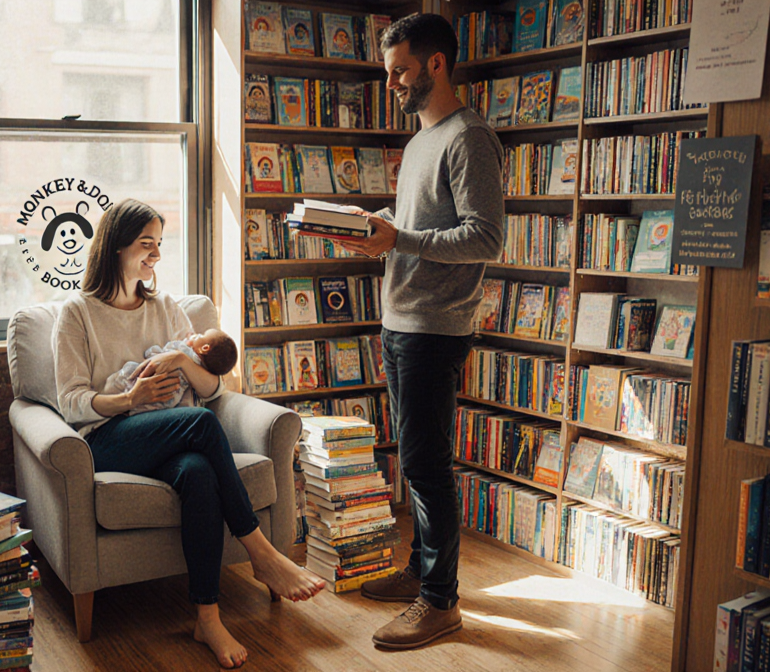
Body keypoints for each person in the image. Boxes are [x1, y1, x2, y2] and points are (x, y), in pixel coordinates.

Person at [52, 199, 326, 668]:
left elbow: (214, 386)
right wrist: (129, 400)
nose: (156, 254)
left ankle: (207, 617)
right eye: (145, 244)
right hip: (109, 437)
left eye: (159, 244)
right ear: (115, 247)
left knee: (199, 472)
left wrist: (181, 361)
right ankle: (260, 551)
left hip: (169, 435)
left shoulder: (168, 308)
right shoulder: (77, 312)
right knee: (200, 423)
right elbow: (71, 401)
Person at [338, 13, 505, 650]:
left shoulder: (469, 138)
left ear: (436, 64)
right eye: (388, 73)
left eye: (401, 71)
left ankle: (441, 601)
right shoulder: (417, 144)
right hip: (399, 317)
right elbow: (415, 225)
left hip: (436, 326)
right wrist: (367, 227)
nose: (392, 85)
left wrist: (400, 237)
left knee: (429, 464)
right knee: (414, 459)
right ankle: (422, 571)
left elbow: (485, 236)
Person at [103, 328, 239, 415]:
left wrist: (180, 354)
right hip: (171, 402)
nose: (195, 334)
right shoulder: (201, 371)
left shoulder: (184, 351)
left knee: (130, 372)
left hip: (154, 388)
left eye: (200, 335)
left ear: (204, 348)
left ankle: (115, 389)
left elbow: (160, 352)